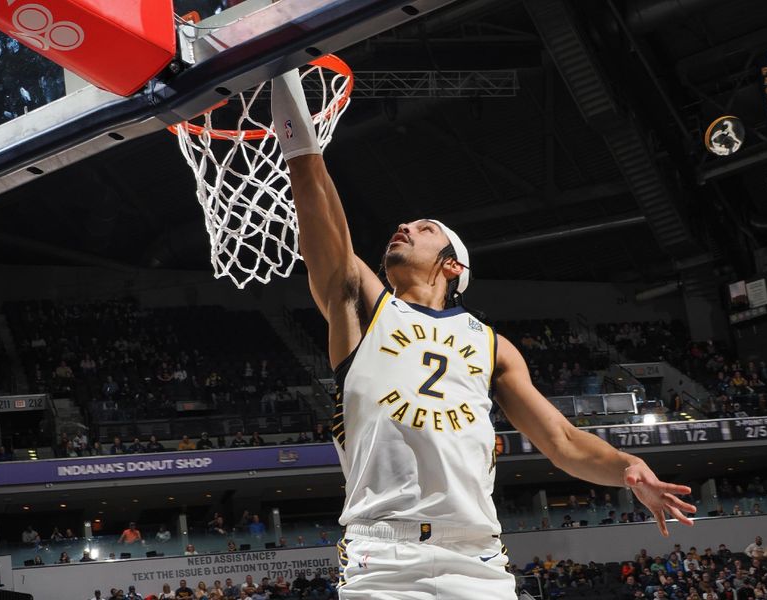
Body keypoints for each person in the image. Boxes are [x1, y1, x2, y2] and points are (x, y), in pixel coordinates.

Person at [269, 68, 696, 600]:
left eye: (425, 230)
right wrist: (280, 70)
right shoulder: (359, 303)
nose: (404, 227)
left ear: (452, 266)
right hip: (383, 559)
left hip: (478, 562)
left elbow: (562, 442)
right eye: (404, 226)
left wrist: (628, 467)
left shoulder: (493, 346)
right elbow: (311, 181)